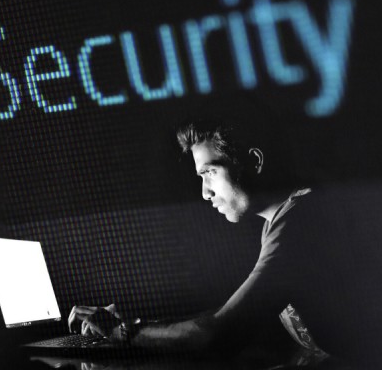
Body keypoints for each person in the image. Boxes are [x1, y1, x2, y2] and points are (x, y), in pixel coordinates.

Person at [68, 105, 330, 363]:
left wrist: (121, 332)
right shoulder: (280, 220)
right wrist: (135, 324)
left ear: (254, 161)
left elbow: (218, 335)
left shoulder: (298, 223)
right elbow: (230, 314)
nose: (205, 193)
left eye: (211, 173)